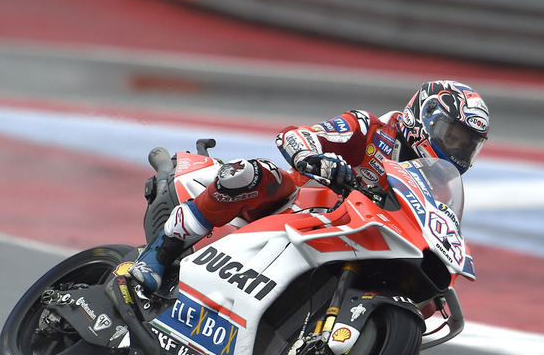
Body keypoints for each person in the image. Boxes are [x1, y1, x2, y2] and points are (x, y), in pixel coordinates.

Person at [129, 79, 490, 293]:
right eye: (452, 136)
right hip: (299, 205)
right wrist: (313, 158)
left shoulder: (440, 186)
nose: (457, 150)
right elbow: (297, 135)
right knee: (251, 174)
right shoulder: (369, 129)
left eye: (466, 145)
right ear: (423, 118)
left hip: (354, 238)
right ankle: (159, 255)